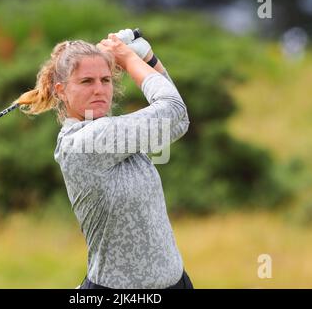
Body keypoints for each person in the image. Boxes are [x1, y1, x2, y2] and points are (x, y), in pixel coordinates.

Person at [13, 29, 192, 289]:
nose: (99, 89)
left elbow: (180, 120)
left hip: (178, 282)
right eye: (87, 81)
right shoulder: (86, 142)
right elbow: (172, 110)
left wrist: (148, 58)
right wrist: (130, 60)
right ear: (61, 91)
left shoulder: (114, 133)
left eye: (106, 80)